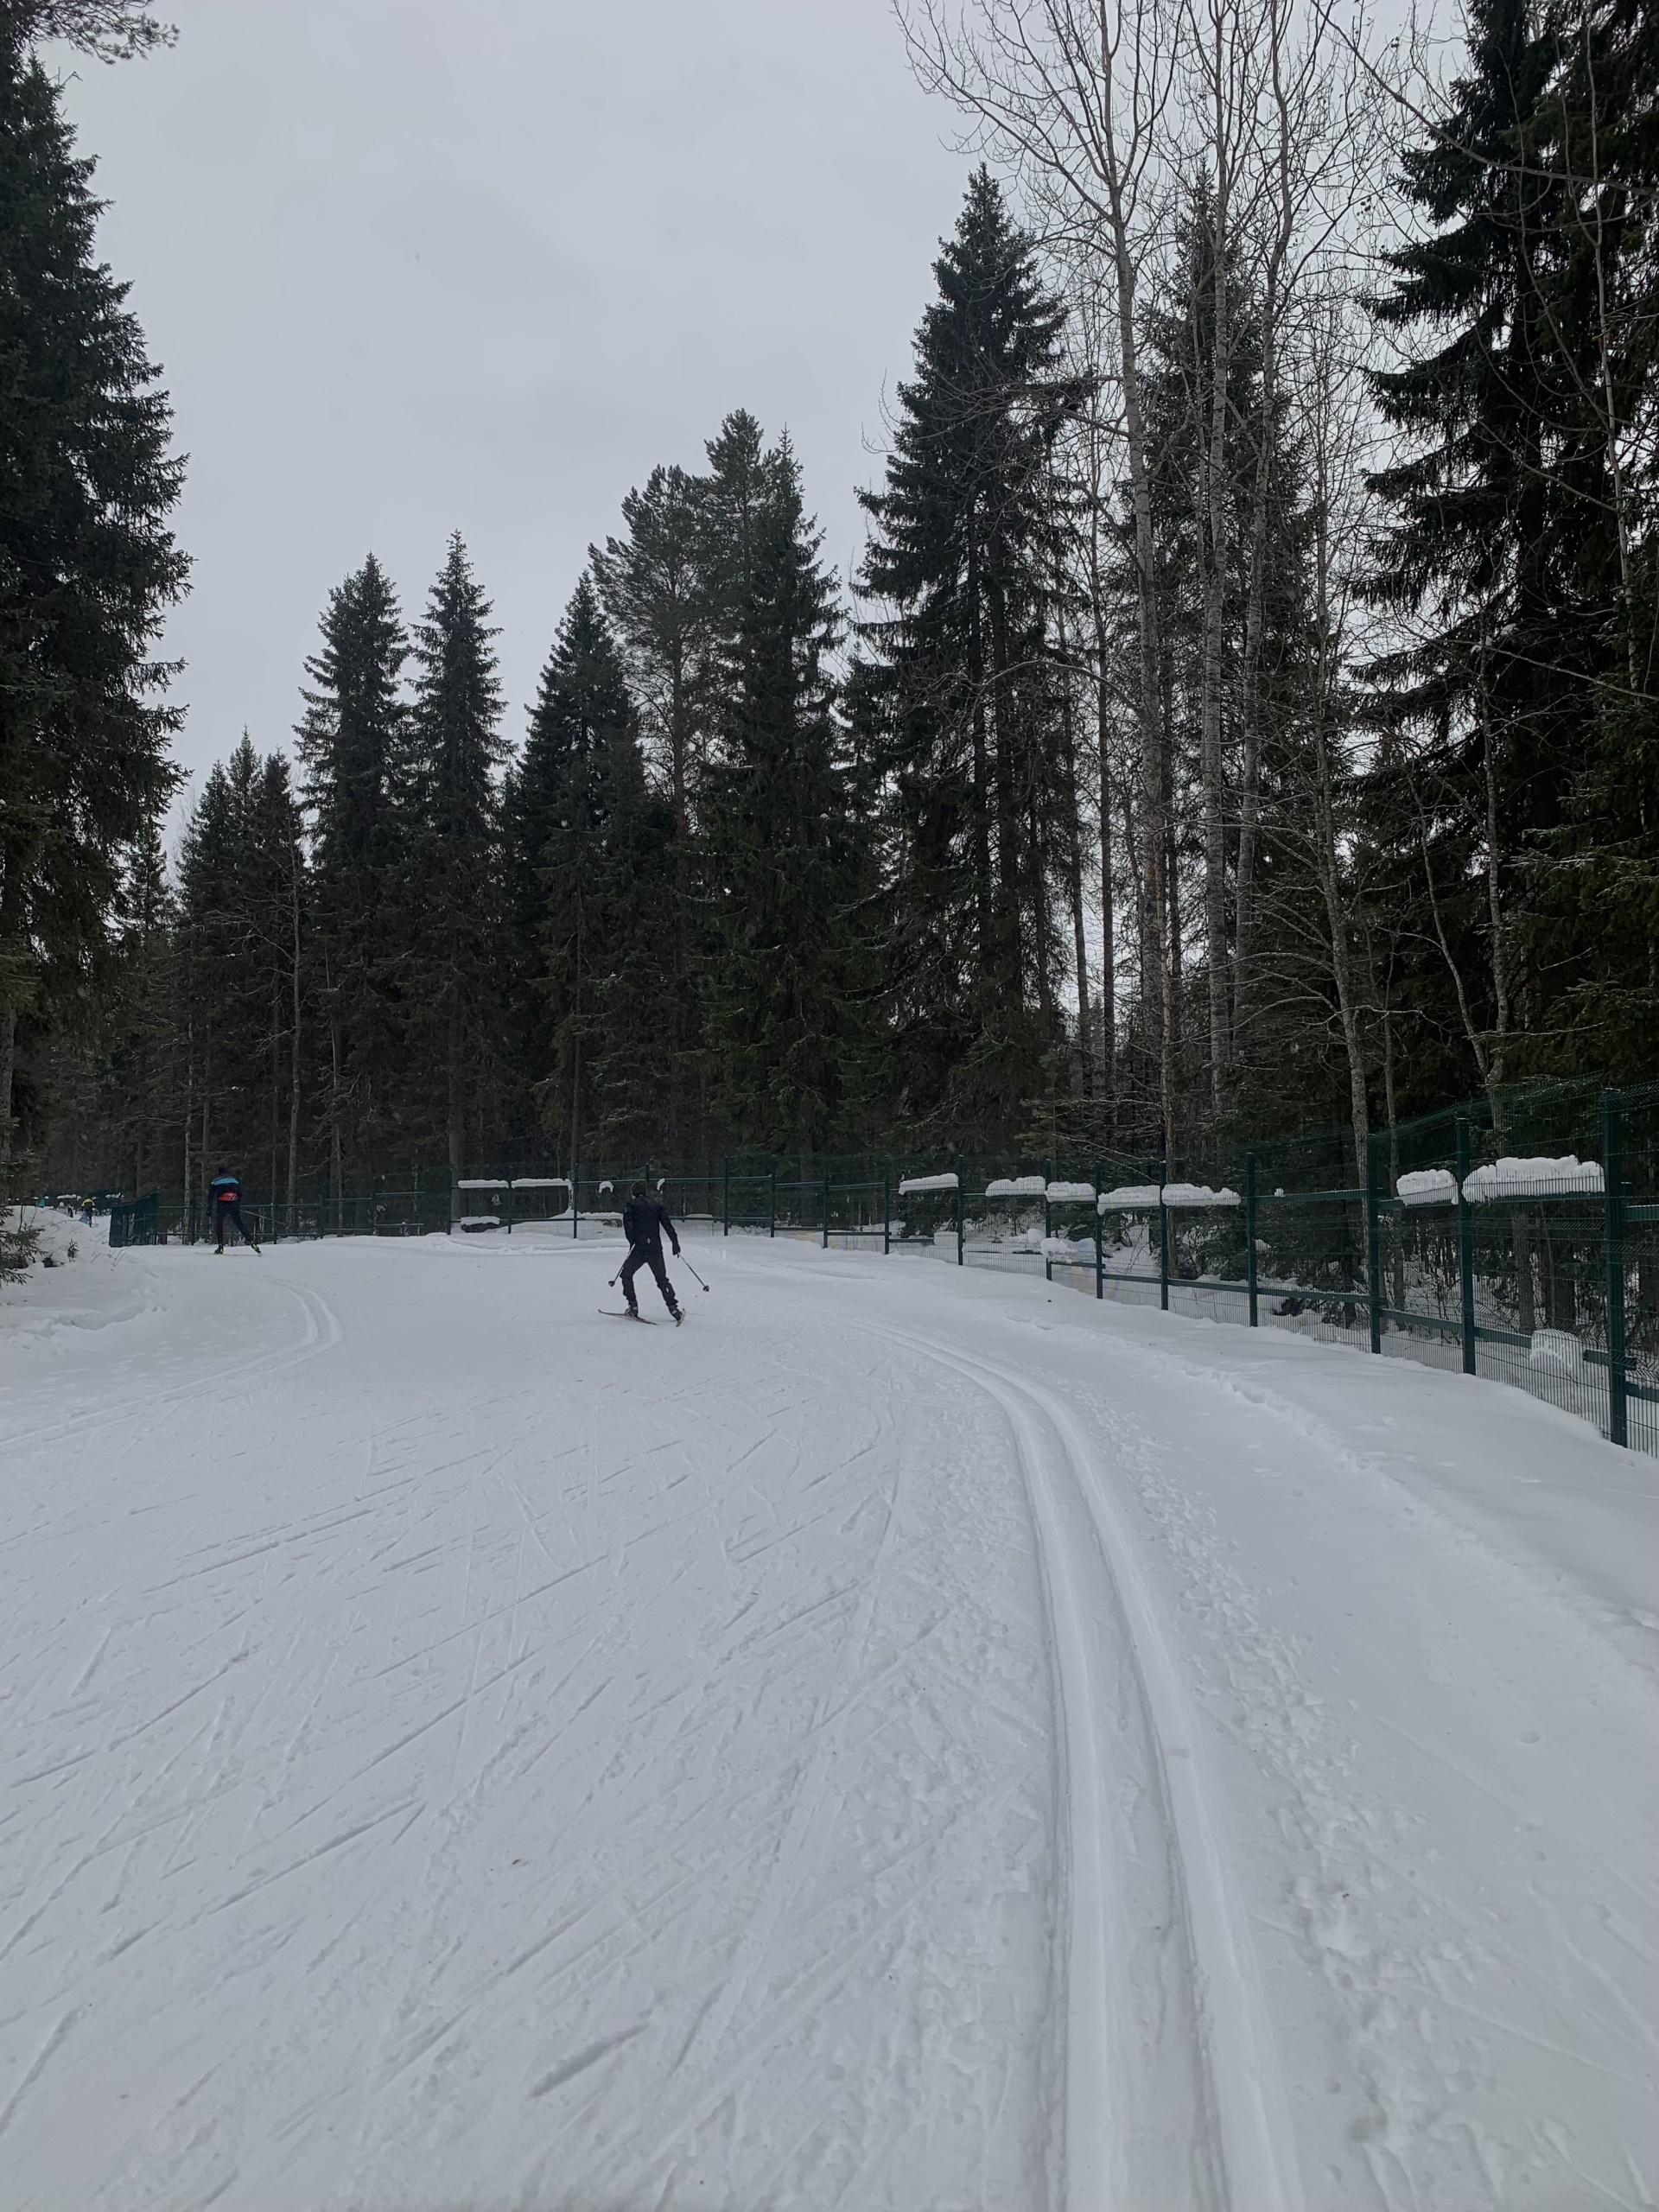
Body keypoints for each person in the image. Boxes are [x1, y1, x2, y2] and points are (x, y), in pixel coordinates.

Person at [620, 1180, 682, 1322]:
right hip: (655, 1248)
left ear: (633, 1193)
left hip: (639, 1249)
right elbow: (667, 1224)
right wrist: (674, 1242)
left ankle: (633, 1306)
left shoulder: (630, 1206)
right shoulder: (656, 1205)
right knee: (662, 1279)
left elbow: (628, 1225)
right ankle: (673, 1308)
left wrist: (632, 1241)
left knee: (626, 1275)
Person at [207, 1166, 261, 1254]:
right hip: (234, 1204)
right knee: (240, 1224)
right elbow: (240, 1194)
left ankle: (220, 1246)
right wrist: (237, 1204)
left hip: (222, 1204)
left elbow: (210, 1196)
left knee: (219, 1224)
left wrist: (209, 1209)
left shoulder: (215, 1181)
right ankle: (252, 1242)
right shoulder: (234, 1180)